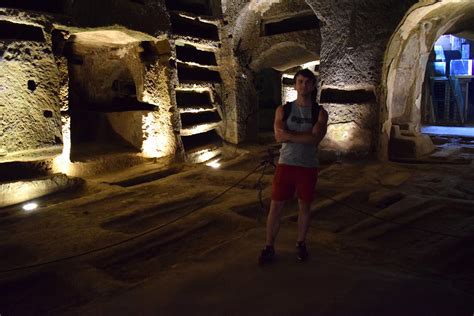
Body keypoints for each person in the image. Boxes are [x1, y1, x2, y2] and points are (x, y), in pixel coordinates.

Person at [259, 68, 328, 264]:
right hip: (286, 164)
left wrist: (290, 136)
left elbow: (316, 138)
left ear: (313, 86)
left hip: (308, 167)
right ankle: (269, 246)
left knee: (304, 207)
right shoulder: (284, 110)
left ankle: (301, 243)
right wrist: (304, 136)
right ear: (295, 85)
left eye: (307, 82)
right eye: (300, 82)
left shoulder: (319, 112)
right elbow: (279, 136)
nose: (303, 85)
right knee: (276, 207)